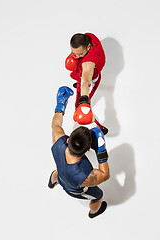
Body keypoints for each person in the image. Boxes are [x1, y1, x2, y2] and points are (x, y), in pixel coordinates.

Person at [49, 86, 110, 218]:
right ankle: (94, 212)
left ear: (68, 139)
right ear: (88, 149)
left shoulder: (58, 141)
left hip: (61, 175)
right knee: (98, 196)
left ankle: (52, 182)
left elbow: (56, 125)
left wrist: (61, 104)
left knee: (59, 171)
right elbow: (105, 175)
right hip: (75, 190)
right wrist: (101, 150)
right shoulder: (84, 175)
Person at [65, 33, 108, 135]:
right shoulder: (88, 37)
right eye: (73, 52)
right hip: (83, 73)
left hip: (90, 80)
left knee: (80, 110)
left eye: (79, 54)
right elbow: (77, 52)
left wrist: (84, 101)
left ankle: (99, 128)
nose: (76, 56)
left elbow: (85, 80)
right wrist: (74, 54)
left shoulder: (89, 62)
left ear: (88, 47)